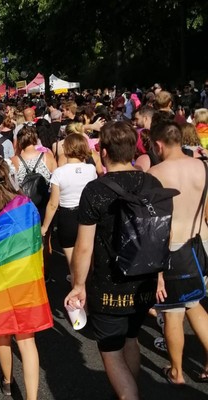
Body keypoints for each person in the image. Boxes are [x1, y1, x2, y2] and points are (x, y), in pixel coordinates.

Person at [65, 121, 168, 400]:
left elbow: (84, 247)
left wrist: (78, 285)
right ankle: (131, 389)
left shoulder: (96, 190)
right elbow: (160, 233)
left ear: (104, 152)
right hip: (144, 279)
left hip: (109, 284)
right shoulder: (151, 182)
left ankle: (128, 394)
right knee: (132, 337)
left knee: (111, 349)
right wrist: (159, 274)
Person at [0, 157, 45, 399]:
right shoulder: (24, 204)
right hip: (23, 277)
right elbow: (36, 243)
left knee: (2, 333)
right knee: (27, 339)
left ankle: (6, 380)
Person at [147, 121, 208, 385]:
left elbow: (154, 224)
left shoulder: (156, 173)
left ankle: (177, 372)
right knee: (195, 304)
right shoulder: (204, 166)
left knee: (173, 312)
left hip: (173, 247)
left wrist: (155, 268)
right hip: (202, 242)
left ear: (158, 144)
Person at [41, 134, 97, 276]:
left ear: (66, 149)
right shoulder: (91, 169)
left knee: (73, 266)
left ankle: (76, 292)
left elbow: (53, 204)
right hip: (87, 216)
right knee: (88, 262)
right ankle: (87, 291)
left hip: (67, 218)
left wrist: (45, 227)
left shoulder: (59, 173)